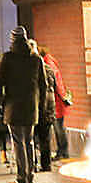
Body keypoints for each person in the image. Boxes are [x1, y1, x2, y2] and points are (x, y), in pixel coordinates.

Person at [0, 27, 46, 183]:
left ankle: (21, 178)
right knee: (29, 141)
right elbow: (43, 85)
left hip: (13, 106)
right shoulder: (36, 59)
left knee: (18, 142)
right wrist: (41, 105)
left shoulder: (7, 58)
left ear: (12, 41)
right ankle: (30, 176)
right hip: (31, 107)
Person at [41, 46, 73, 160]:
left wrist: (62, 96)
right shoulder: (50, 62)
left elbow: (57, 83)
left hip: (56, 101)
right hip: (57, 100)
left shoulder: (48, 64)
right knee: (58, 127)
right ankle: (62, 151)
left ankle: (63, 152)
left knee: (58, 127)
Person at [30, 40, 57, 173]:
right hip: (48, 107)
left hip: (36, 107)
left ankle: (33, 165)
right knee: (45, 138)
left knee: (31, 138)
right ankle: (46, 165)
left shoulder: (30, 69)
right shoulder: (48, 68)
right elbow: (54, 87)